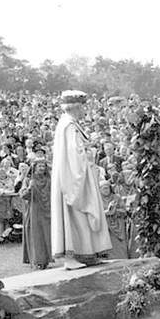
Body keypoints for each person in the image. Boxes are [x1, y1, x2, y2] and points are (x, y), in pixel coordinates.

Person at [50, 90, 112, 270]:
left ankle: (89, 253)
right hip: (73, 179)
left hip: (79, 175)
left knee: (82, 217)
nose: (86, 110)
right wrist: (89, 153)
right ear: (77, 107)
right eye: (84, 106)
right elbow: (75, 154)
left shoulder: (69, 124)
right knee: (74, 216)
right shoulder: (69, 126)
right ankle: (72, 256)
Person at [19, 157, 52, 269]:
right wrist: (29, 188)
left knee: (46, 234)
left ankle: (47, 258)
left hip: (46, 210)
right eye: (40, 166)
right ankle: (37, 259)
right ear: (34, 168)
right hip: (34, 210)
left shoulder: (49, 180)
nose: (42, 168)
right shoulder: (28, 180)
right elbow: (23, 195)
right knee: (36, 235)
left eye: (43, 166)